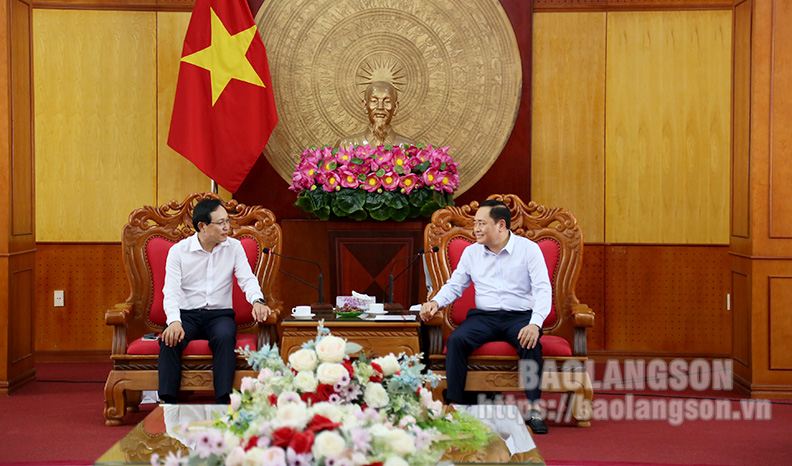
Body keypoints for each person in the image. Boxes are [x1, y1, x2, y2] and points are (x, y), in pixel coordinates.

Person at [419, 199, 551, 434]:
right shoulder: (472, 252)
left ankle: (534, 409)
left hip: (520, 316)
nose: (476, 229)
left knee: (530, 342)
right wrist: (435, 302)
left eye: (481, 223)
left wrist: (534, 324)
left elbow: (543, 290)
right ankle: (456, 408)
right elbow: (455, 285)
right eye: (475, 223)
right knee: (457, 340)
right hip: (484, 317)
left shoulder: (528, 250)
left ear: (501, 225)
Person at [158, 198, 271, 404]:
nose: (227, 227)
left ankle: (223, 400)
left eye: (227, 221)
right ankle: (167, 401)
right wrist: (174, 321)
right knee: (169, 338)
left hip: (219, 315)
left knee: (225, 337)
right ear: (202, 226)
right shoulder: (179, 251)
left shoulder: (234, 247)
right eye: (220, 223)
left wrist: (258, 300)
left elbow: (247, 279)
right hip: (186, 314)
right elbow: (171, 290)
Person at [337, 81, 415, 148]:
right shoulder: (345, 146)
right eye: (374, 101)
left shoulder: (411, 148)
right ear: (365, 106)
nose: (380, 107)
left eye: (387, 101)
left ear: (395, 107)